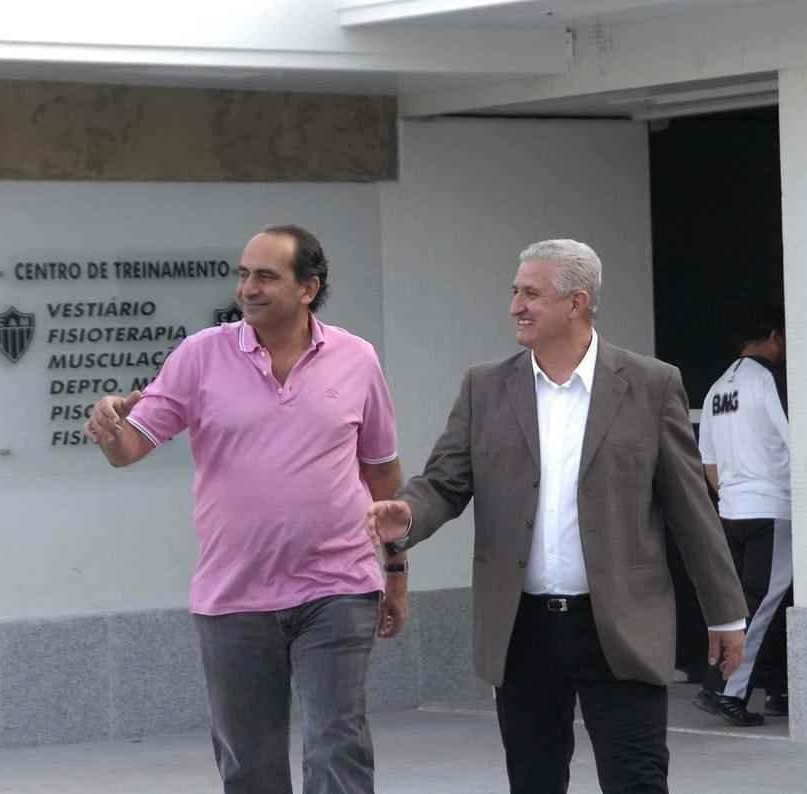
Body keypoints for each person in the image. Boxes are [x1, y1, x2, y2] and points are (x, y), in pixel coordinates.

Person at [366, 239, 748, 794]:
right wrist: (407, 514)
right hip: (523, 629)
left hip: (620, 625)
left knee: (638, 780)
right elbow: (444, 483)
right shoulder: (485, 387)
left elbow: (692, 508)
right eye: (515, 292)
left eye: (531, 293)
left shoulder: (650, 384)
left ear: (577, 302)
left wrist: (726, 614)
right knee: (534, 781)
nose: (515, 306)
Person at [83, 224, 407, 794]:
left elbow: (382, 474)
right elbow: (130, 447)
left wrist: (397, 573)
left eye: (265, 275)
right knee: (249, 765)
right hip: (234, 594)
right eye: (243, 274)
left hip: (338, 586)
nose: (248, 288)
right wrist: (109, 425)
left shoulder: (357, 359)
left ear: (308, 288)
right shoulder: (200, 355)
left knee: (339, 748)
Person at [693, 304, 792, 727]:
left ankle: (775, 690)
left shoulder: (717, 388)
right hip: (772, 509)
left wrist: (734, 495)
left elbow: (708, 463)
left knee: (749, 604)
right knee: (764, 604)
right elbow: (796, 440)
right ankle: (723, 691)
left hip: (732, 509)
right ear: (774, 337)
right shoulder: (768, 381)